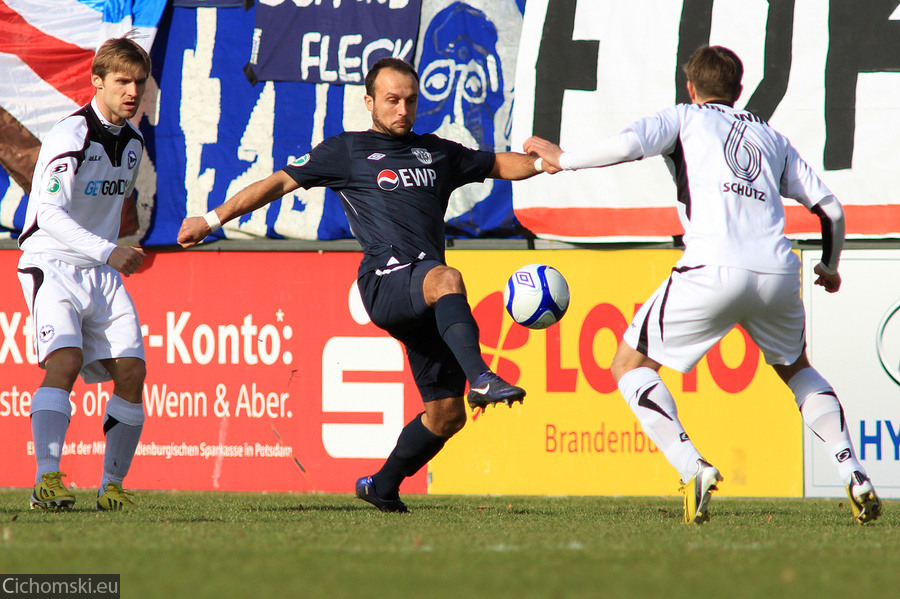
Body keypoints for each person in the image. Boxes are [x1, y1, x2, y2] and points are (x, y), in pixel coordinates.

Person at [524, 45, 882, 525]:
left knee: (628, 364)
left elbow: (626, 146)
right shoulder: (772, 137)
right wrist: (831, 266)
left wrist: (564, 160)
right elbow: (831, 208)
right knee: (797, 370)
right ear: (738, 91)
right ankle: (852, 471)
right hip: (776, 272)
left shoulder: (685, 118)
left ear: (690, 88)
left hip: (712, 267)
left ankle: (691, 465)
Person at [178, 57, 548, 513]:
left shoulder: (437, 152)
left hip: (427, 297)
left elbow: (498, 164)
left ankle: (382, 485)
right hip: (386, 284)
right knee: (447, 276)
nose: (402, 109)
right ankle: (483, 377)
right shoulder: (347, 152)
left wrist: (547, 162)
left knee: (446, 416)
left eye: (410, 100)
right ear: (369, 101)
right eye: (392, 100)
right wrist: (211, 219)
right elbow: (276, 184)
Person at [17, 37, 151, 511]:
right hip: (51, 263)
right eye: (122, 82)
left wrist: (110, 252)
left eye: (139, 82)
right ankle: (46, 480)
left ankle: (111, 487)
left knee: (132, 371)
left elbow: (107, 208)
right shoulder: (69, 135)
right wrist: (110, 251)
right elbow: (48, 214)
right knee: (65, 360)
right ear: (97, 82)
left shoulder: (133, 141)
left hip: (100, 271)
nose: (132, 91)